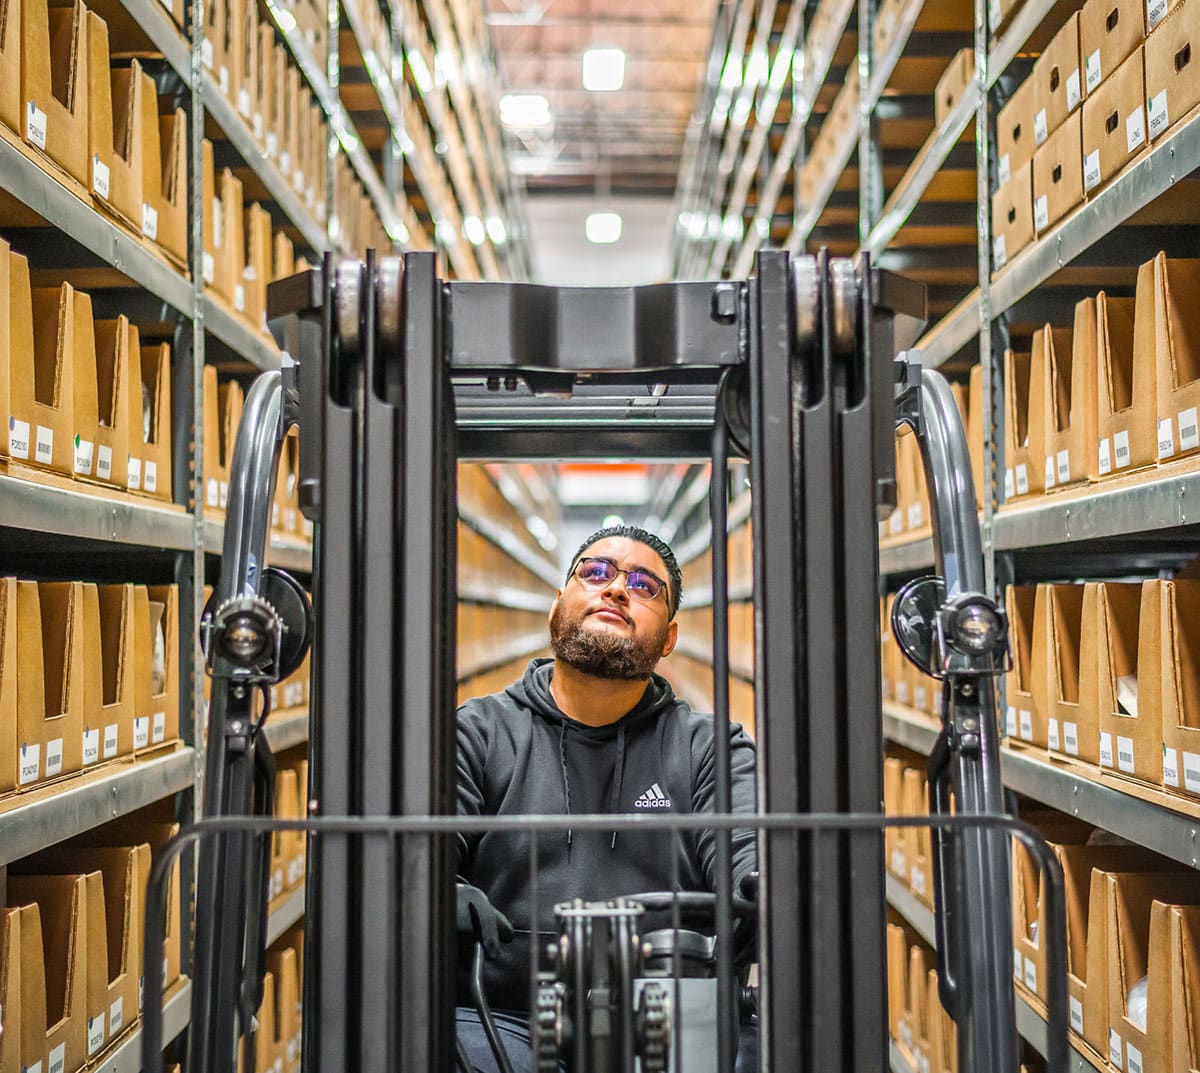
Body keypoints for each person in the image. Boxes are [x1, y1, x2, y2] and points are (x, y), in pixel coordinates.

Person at [455, 524, 758, 1073]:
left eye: (644, 586)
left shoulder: (708, 748)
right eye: (595, 573)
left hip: (666, 1018)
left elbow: (748, 847)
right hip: (500, 1019)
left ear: (668, 639)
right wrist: (441, 888)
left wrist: (761, 886)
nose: (616, 589)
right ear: (557, 606)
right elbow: (419, 857)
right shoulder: (478, 732)